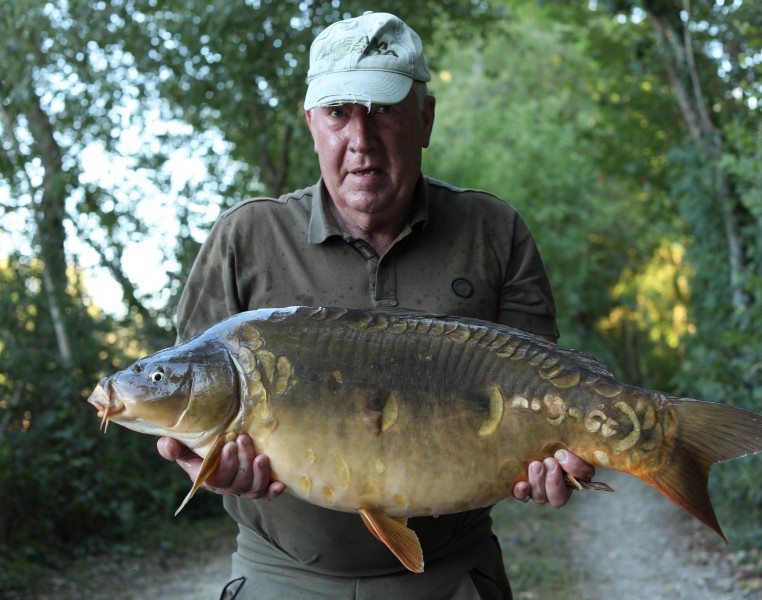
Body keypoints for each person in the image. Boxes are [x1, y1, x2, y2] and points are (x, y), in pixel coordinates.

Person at [157, 11, 595, 599]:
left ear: (426, 120)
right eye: (338, 113)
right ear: (311, 123)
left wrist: (558, 460)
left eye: (384, 110)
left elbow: (546, 391)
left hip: (451, 573)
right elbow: (188, 416)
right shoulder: (245, 238)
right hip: (282, 574)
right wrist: (202, 468)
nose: (359, 140)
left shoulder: (494, 230)